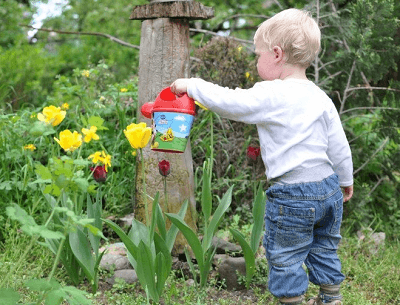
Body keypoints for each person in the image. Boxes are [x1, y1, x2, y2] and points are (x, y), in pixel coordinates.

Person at [170, 8, 353, 305]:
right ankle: (332, 299)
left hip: (293, 195)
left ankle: (292, 301)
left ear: (277, 54)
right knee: (324, 247)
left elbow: (230, 102)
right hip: (328, 188)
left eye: (258, 55)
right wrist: (345, 179)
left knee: (285, 255)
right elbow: (339, 144)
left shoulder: (272, 93)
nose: (256, 61)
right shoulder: (320, 96)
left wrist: (191, 85)